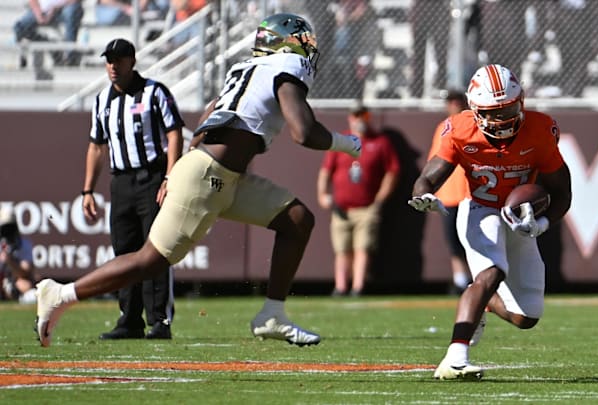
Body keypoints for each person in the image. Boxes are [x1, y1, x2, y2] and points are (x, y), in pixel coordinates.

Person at [35, 13, 362, 348]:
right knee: (149, 261)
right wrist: (346, 143)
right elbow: (304, 132)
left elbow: (211, 110)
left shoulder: (248, 68)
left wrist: (188, 157)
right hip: (208, 176)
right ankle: (61, 293)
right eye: (303, 42)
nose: (307, 51)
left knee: (297, 219)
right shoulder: (285, 69)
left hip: (221, 176)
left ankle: (273, 313)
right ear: (286, 43)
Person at [408, 64, 572, 380]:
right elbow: (427, 178)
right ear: (475, 109)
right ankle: (455, 357)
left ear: (521, 101)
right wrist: (423, 195)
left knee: (527, 317)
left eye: (508, 108)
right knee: (492, 273)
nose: (503, 118)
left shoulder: (539, 129)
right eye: (493, 112)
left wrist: (542, 224)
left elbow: (562, 193)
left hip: (518, 218)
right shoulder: (459, 129)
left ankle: (481, 302)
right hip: (480, 210)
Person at [81, 38, 184, 340]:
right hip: (121, 182)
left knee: (155, 249)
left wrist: (170, 177)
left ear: (132, 61)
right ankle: (129, 318)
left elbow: (174, 132)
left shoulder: (154, 92)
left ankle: (159, 320)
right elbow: (96, 145)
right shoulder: (102, 100)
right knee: (123, 251)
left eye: (119, 59)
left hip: (151, 177)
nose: (113, 66)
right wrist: (87, 190)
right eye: (109, 60)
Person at [317, 105, 400, 297]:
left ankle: (358, 286)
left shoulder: (380, 142)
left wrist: (379, 200)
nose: (360, 120)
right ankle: (340, 286)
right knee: (342, 248)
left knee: (363, 247)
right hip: (341, 207)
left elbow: (392, 172)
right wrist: (322, 194)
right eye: (356, 116)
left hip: (367, 207)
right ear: (349, 118)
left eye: (364, 116)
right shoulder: (341, 141)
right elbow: (325, 171)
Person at [427, 90, 472, 295]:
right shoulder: (443, 127)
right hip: (448, 195)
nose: (453, 105)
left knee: (473, 241)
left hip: (469, 194)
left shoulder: (473, 124)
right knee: (453, 242)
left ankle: (475, 280)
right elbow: (434, 161)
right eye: (450, 101)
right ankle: (461, 279)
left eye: (456, 100)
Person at [13, 0, 84, 67]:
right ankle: (53, 48)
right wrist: (38, 13)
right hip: (42, 10)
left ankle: (70, 56)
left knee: (72, 11)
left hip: (64, 8)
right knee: (19, 27)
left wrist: (55, 8)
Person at [0, 207, 38, 304]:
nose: (8, 231)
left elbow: (24, 272)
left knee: (26, 285)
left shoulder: (24, 244)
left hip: (14, 280)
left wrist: (9, 260)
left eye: (10, 227)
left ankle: (22, 298)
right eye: (5, 227)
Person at [95, 0, 169, 26]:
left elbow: (140, 8)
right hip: (113, 17)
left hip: (135, 16)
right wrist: (126, 8)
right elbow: (105, 1)